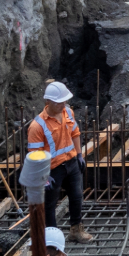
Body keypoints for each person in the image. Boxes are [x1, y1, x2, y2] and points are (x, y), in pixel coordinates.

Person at [28, 83, 91, 243]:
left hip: (71, 162)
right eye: (59, 102)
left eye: (64, 101)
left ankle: (76, 230)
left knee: (77, 197)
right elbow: (34, 155)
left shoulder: (68, 112)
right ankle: (52, 238)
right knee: (49, 204)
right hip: (52, 169)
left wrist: (79, 155)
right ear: (48, 102)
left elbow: (75, 133)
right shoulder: (37, 126)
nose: (63, 105)